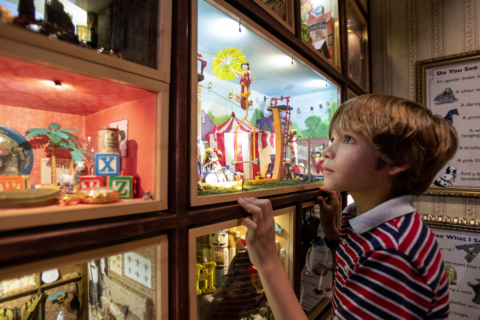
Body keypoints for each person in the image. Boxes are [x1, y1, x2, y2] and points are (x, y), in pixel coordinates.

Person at [238, 94, 458, 320]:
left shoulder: (391, 253)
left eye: (348, 139)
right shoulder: (381, 227)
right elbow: (354, 267)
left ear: (398, 161)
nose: (326, 151)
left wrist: (267, 262)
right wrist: (332, 231)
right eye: (333, 138)